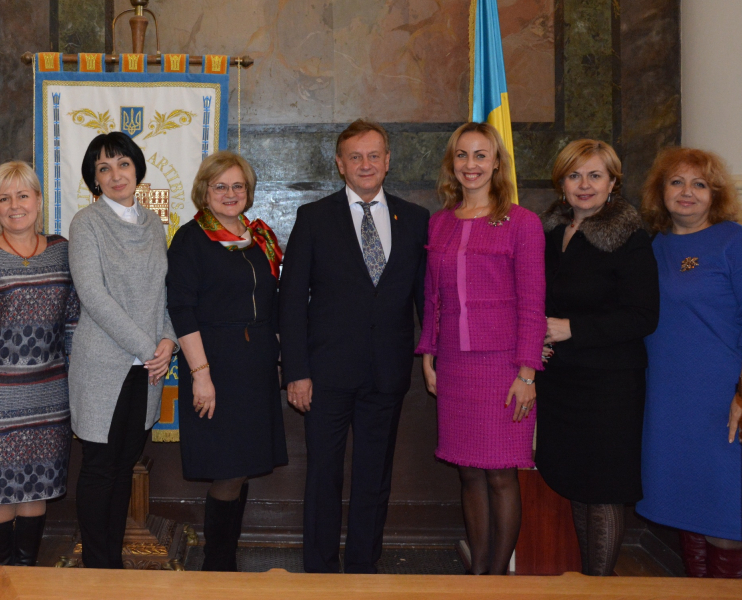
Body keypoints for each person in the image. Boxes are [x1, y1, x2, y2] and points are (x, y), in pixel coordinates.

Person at [279, 119, 429, 574]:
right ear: (340, 165)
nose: (365, 164)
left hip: (387, 373)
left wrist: (433, 357)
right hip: (324, 376)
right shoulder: (314, 217)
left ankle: (364, 566)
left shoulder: (417, 219)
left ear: (387, 161)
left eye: (374, 155)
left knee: (374, 478)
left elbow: (427, 298)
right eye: (355, 157)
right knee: (324, 476)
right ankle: (321, 572)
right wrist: (296, 371)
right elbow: (291, 300)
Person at [636, 147, 742, 579]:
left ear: (715, 195)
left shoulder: (737, 242)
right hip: (669, 399)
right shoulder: (656, 246)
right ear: (660, 191)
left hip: (727, 397)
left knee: (726, 514)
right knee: (685, 507)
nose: (687, 192)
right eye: (676, 182)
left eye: (699, 184)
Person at [415, 122, 545, 575]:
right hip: (454, 365)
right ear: (453, 164)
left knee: (501, 473)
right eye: (462, 156)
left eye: (480, 155)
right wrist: (429, 355)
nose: (471, 165)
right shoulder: (440, 222)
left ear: (496, 163)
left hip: (503, 367)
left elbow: (533, 304)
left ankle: (497, 577)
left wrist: (527, 373)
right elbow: (433, 298)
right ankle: (478, 577)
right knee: (468, 470)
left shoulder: (522, 223)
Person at [535, 140, 659, 576]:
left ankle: (601, 587)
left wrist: (573, 329)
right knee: (577, 484)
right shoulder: (549, 232)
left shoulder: (630, 236)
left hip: (610, 385)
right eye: (574, 175)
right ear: (561, 183)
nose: (584, 185)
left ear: (613, 183)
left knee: (603, 488)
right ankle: (588, 581)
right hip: (562, 381)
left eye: (594, 175)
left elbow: (644, 316)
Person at [0, 161, 79, 566]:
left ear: (39, 201)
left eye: (23, 195)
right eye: (4, 198)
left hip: (50, 391)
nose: (15, 205)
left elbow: (73, 322)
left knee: (36, 490)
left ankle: (24, 580)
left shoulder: (62, 251)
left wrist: (77, 386)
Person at [166, 151, 288, 571]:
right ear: (205, 192)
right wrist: (201, 375)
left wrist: (276, 358)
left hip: (255, 363)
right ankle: (217, 565)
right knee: (228, 465)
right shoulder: (191, 238)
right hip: (214, 362)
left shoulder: (261, 237)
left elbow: (272, 304)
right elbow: (181, 308)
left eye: (238, 186)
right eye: (220, 186)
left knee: (244, 464)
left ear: (249, 192)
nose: (230, 194)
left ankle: (225, 556)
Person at [67, 131, 177, 569]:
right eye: (104, 168)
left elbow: (162, 294)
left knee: (124, 466)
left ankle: (113, 561)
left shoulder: (153, 224)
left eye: (123, 164)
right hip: (104, 364)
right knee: (99, 468)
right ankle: (98, 567)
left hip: (147, 366)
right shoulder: (86, 223)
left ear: (137, 169)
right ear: (94, 179)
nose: (116, 175)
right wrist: (149, 345)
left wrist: (167, 340)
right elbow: (93, 295)